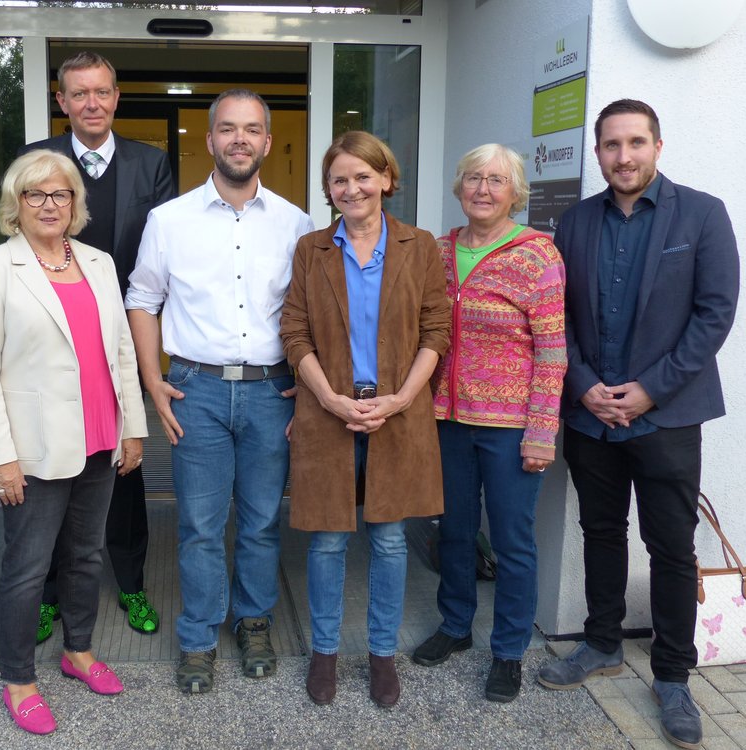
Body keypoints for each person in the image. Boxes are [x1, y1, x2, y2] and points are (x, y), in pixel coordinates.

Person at [537, 100, 739, 749]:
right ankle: (600, 643)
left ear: (657, 145)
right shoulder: (573, 222)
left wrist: (649, 391)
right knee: (600, 531)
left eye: (635, 143)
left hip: (668, 417)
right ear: (597, 152)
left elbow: (714, 314)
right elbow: (556, 318)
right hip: (592, 415)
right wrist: (584, 384)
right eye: (611, 145)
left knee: (671, 547)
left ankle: (674, 675)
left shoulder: (702, 214)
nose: (624, 157)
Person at [126, 89, 314, 694]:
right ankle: (199, 637)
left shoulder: (297, 223)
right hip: (195, 390)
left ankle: (253, 619)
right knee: (201, 525)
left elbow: (313, 314)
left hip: (270, 391)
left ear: (265, 141)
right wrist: (153, 378)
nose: (240, 139)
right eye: (228, 129)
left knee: (261, 521)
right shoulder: (169, 220)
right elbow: (142, 299)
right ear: (209, 141)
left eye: (252, 129)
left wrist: (309, 392)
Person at [0, 149, 147, 735]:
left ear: (75, 203)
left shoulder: (97, 261)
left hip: (100, 435)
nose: (50, 204)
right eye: (36, 194)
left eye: (61, 194)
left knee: (87, 555)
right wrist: (0, 457)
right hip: (35, 447)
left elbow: (121, 351)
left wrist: (133, 427)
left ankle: (78, 651)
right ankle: (19, 680)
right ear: (16, 205)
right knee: (26, 567)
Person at [279, 131, 451, 707]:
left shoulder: (420, 245)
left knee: (390, 540)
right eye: (338, 179)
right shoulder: (311, 250)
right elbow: (294, 332)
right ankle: (324, 654)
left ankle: (382, 655)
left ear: (385, 179)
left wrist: (401, 398)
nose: (351, 188)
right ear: (328, 190)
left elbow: (436, 330)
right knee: (327, 541)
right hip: (328, 411)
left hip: (397, 413)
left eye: (361, 176)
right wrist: (327, 397)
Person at [20, 51, 174, 638]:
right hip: (52, 337)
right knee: (55, 466)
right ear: (62, 101)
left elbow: (158, 260)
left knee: (126, 464)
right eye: (79, 93)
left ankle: (131, 582)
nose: (92, 103)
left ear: (116, 97)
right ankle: (50, 593)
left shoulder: (150, 164)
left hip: (120, 338)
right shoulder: (37, 161)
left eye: (102, 92)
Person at [410, 144, 566, 703]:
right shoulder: (437, 250)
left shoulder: (536, 255)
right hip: (444, 420)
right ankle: (454, 626)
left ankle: (508, 651)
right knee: (452, 531)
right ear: (458, 187)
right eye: (473, 178)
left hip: (510, 427)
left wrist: (542, 431)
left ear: (514, 192)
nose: (483, 189)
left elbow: (552, 352)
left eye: (496, 180)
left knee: (511, 540)